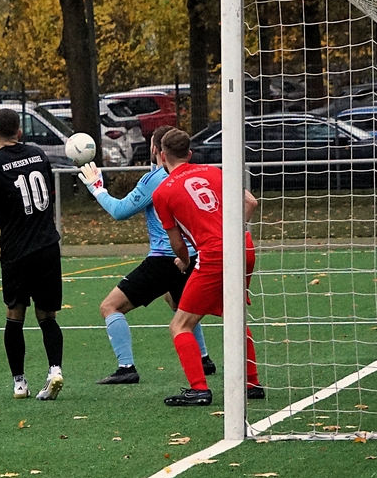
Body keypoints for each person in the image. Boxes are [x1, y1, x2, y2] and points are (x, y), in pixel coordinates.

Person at [78, 125, 215, 385]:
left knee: (110, 306)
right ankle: (203, 359)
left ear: (157, 150)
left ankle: (126, 367)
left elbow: (120, 211)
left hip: (166, 258)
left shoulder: (155, 179)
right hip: (193, 255)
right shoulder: (197, 173)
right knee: (178, 303)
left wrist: (97, 189)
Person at [151, 128, 262, 407]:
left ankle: (199, 389)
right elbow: (251, 202)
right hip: (244, 246)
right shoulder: (214, 172)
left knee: (180, 325)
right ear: (189, 154)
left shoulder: (162, 191)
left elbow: (177, 243)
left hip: (214, 254)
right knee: (235, 315)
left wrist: (186, 261)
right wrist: (232, 233)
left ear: (162, 156)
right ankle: (252, 384)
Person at [0, 108, 65, 400]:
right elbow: (48, 194)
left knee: (15, 314)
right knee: (47, 315)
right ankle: (54, 369)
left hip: (17, 250)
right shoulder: (38, 154)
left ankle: (20, 382)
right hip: (48, 245)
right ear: (20, 132)